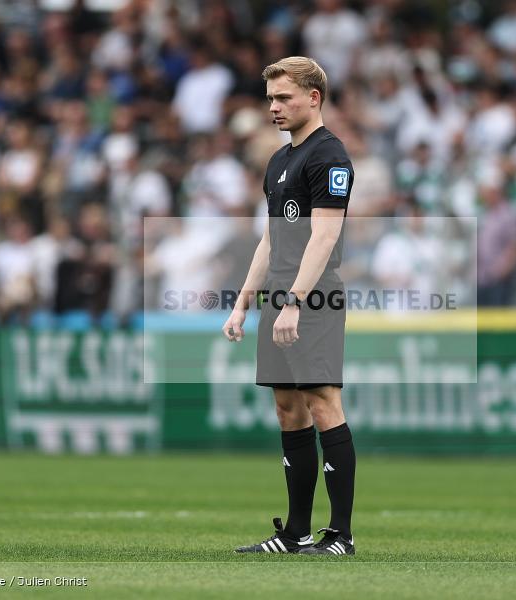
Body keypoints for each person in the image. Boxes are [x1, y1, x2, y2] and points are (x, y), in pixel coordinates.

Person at [223, 56, 356, 556]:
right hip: (278, 298)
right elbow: (269, 240)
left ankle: (340, 534)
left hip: (312, 297)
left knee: (323, 404)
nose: (274, 108)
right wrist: (242, 304)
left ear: (314, 97)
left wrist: (296, 302)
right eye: (271, 99)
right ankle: (296, 532)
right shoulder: (280, 161)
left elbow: (325, 237)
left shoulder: (330, 156)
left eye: (284, 98)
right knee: (287, 409)